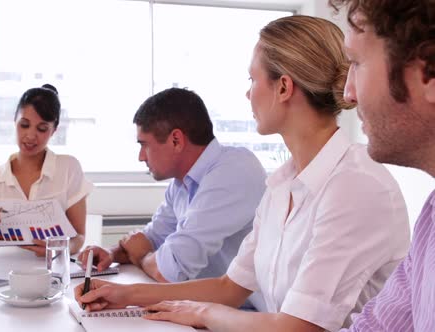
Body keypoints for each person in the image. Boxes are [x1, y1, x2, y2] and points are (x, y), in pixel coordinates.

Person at [75, 15, 411, 332]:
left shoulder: (355, 187)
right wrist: (123, 295)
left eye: (252, 79)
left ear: (283, 88)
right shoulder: (283, 183)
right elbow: (231, 287)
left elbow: (297, 326)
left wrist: (203, 313)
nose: (247, 93)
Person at [80, 88, 267, 284]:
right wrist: (111, 253)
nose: (141, 156)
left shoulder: (232, 172)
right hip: (207, 305)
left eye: (144, 145)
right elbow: (153, 239)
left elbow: (170, 271)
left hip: (248, 310)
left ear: (176, 140)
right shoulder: (182, 183)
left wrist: (143, 256)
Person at [327, 1, 435, 331]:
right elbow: (374, 327)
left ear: (429, 71)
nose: (348, 94)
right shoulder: (431, 215)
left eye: (357, 63)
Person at [0, 84, 93, 256]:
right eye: (24, 125)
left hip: (53, 273)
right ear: (14, 121)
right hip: (5, 275)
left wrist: (58, 247)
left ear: (54, 130)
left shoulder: (68, 168)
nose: (30, 136)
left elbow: (79, 237)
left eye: (42, 128)